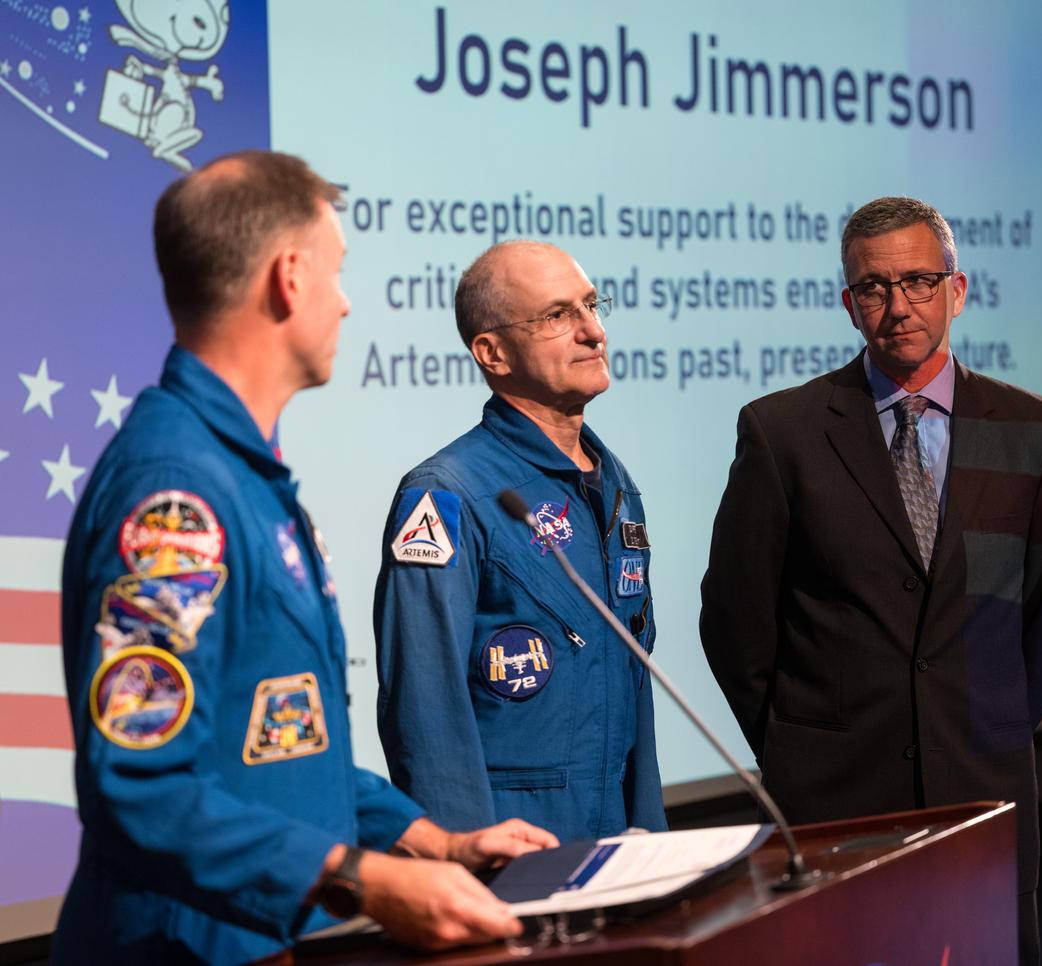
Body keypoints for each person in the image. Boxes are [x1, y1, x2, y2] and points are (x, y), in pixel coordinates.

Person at [55, 150, 557, 965]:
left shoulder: (241, 476)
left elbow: (280, 751)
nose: (346, 301)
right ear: (290, 277)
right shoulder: (177, 494)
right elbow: (139, 786)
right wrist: (362, 880)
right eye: (338, 270)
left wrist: (432, 842)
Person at [699, 196, 1042, 965]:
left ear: (957, 290)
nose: (898, 305)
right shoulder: (783, 432)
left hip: (981, 789)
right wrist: (795, 745)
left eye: (918, 281)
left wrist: (994, 720)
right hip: (834, 797)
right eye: (873, 287)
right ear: (850, 305)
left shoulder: (1032, 428)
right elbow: (735, 620)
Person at [374, 240, 666, 844]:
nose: (594, 331)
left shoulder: (614, 483)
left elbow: (634, 683)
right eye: (557, 315)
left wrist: (652, 837)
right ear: (492, 352)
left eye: (592, 306)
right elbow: (424, 704)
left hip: (617, 845)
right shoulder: (445, 495)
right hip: (511, 848)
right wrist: (463, 856)